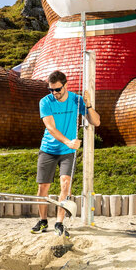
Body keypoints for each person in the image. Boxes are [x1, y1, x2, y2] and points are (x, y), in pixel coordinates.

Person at [32, 70, 100, 236]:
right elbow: (51, 127)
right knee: (43, 187)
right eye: (51, 90)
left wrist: (88, 104)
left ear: (66, 85)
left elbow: (96, 121)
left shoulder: (76, 100)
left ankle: (59, 222)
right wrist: (68, 141)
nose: (54, 93)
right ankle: (42, 221)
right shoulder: (45, 102)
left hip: (67, 152)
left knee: (65, 184)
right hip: (48, 149)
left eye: (58, 89)